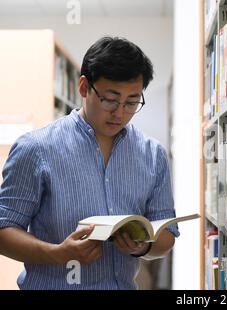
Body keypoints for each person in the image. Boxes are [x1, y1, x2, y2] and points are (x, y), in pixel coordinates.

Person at [0, 36, 179, 290]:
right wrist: (57, 253)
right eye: (110, 99)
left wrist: (144, 245)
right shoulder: (36, 148)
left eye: (131, 102)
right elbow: (4, 230)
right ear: (84, 87)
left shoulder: (153, 154)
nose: (120, 113)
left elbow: (167, 236)